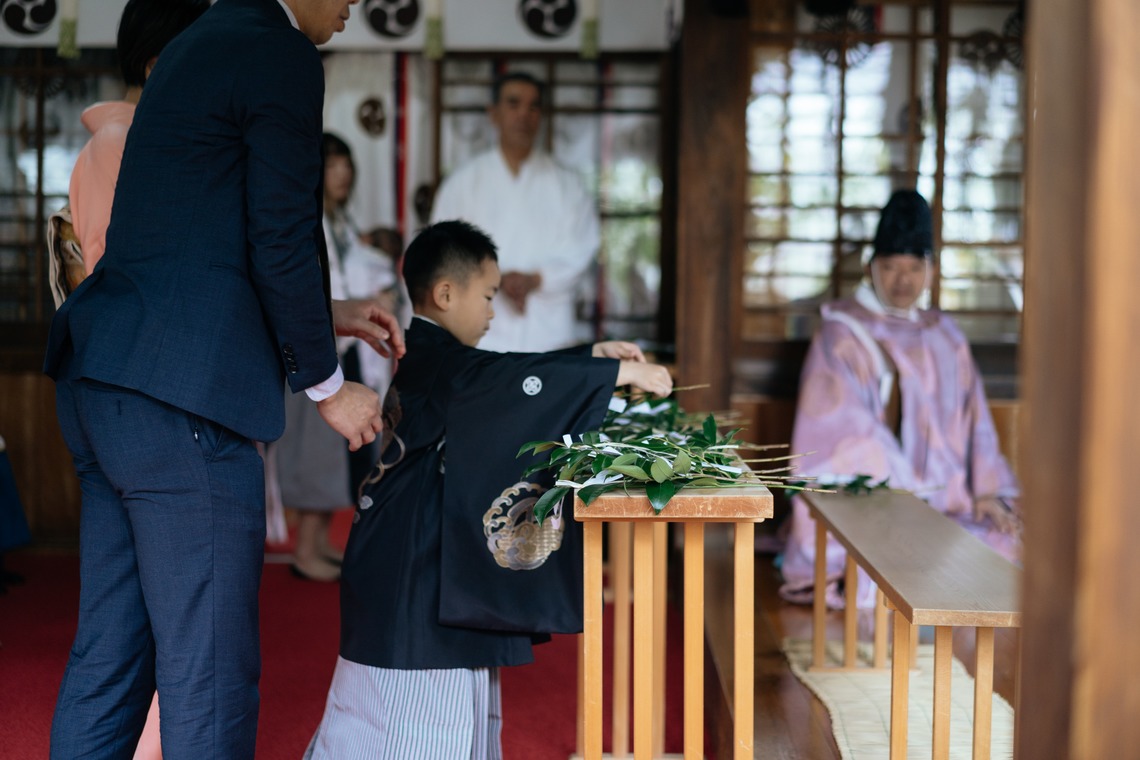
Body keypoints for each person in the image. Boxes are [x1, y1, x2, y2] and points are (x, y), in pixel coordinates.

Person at [41, 0, 402, 757]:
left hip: (107, 381)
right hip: (180, 404)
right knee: (207, 675)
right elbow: (276, 236)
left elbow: (200, 244)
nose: (353, 5)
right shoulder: (280, 52)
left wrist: (325, 311)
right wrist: (332, 391)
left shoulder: (194, 44)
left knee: (110, 657)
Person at [304, 220, 672, 759]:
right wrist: (608, 372)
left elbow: (507, 378)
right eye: (488, 296)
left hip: (414, 556)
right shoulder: (442, 362)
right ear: (446, 293)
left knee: (430, 717)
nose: (493, 311)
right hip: (414, 565)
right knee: (404, 722)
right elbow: (504, 383)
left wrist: (591, 358)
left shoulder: (444, 361)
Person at [778, 190, 1021, 610]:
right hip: (887, 506)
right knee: (893, 568)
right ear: (872, 267)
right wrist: (910, 499)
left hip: (953, 503)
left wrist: (986, 491)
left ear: (930, 269)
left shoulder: (946, 335)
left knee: (1012, 547)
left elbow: (976, 422)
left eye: (914, 267)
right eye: (890, 267)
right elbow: (843, 434)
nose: (902, 281)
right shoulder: (842, 334)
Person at [274, 132, 410, 582]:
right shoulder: (302, 219)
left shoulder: (342, 223)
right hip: (317, 350)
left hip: (345, 347)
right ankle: (305, 550)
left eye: (346, 164)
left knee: (341, 456)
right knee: (316, 455)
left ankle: (320, 543)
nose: (343, 173)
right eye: (333, 165)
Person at [429, 71, 599, 353]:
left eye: (533, 106)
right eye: (513, 103)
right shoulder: (462, 183)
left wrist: (537, 279)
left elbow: (583, 248)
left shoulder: (568, 185)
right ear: (493, 113)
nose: (524, 114)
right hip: (482, 334)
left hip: (549, 331)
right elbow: (442, 250)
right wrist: (496, 280)